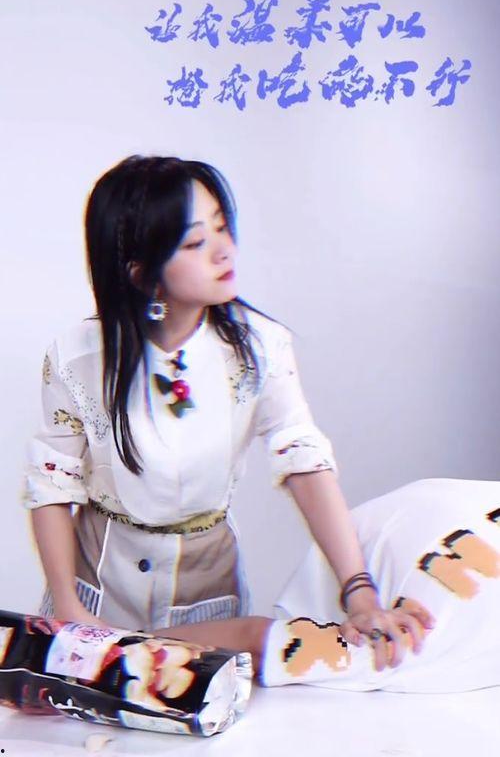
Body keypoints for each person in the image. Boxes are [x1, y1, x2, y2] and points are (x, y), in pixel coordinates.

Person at [23, 155, 430, 664]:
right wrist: (67, 605)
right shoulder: (78, 357)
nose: (224, 250)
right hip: (97, 589)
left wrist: (359, 593)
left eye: (221, 227)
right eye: (195, 242)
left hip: (206, 590)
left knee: (198, 706)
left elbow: (303, 459)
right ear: (142, 274)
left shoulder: (260, 348)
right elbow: (52, 483)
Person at [156, 477, 500, 692]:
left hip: (408, 518)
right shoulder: (448, 625)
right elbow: (257, 642)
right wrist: (126, 640)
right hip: (400, 574)